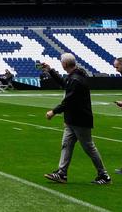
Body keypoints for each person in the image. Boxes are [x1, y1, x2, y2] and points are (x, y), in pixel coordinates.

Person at [41, 53, 111, 186]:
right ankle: (62, 173)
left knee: (89, 147)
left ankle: (104, 175)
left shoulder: (76, 79)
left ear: (65, 64)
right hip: (72, 119)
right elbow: (65, 84)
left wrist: (54, 112)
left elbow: (69, 101)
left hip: (80, 119)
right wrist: (50, 70)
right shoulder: (74, 76)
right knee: (66, 144)